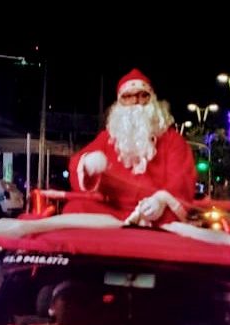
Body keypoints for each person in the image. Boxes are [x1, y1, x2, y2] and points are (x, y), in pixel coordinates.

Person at [63, 68, 196, 226]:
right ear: (119, 103)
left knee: (169, 219)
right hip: (114, 210)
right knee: (76, 208)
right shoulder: (108, 138)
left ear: (152, 100)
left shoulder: (172, 140)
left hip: (155, 214)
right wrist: (87, 164)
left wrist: (161, 200)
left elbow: (182, 179)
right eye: (128, 97)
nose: (135, 102)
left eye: (142, 95)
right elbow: (77, 166)